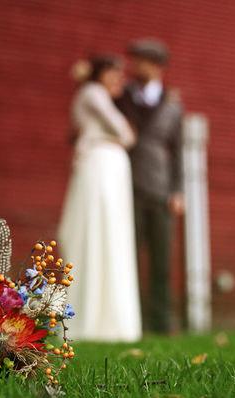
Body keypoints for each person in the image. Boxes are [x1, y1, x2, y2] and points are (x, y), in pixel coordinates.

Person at [58, 55, 142, 342]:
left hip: (107, 167)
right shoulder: (93, 93)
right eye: (115, 73)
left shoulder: (94, 96)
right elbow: (126, 133)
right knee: (101, 233)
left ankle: (105, 319)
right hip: (101, 168)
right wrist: (119, 137)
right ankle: (96, 319)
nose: (120, 79)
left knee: (107, 236)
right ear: (101, 74)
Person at [116, 39, 184, 334]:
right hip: (127, 187)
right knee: (128, 257)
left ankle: (162, 322)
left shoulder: (173, 104)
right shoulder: (123, 96)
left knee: (161, 262)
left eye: (141, 60)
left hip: (160, 191)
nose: (135, 66)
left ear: (157, 66)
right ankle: (134, 321)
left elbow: (178, 152)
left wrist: (177, 190)